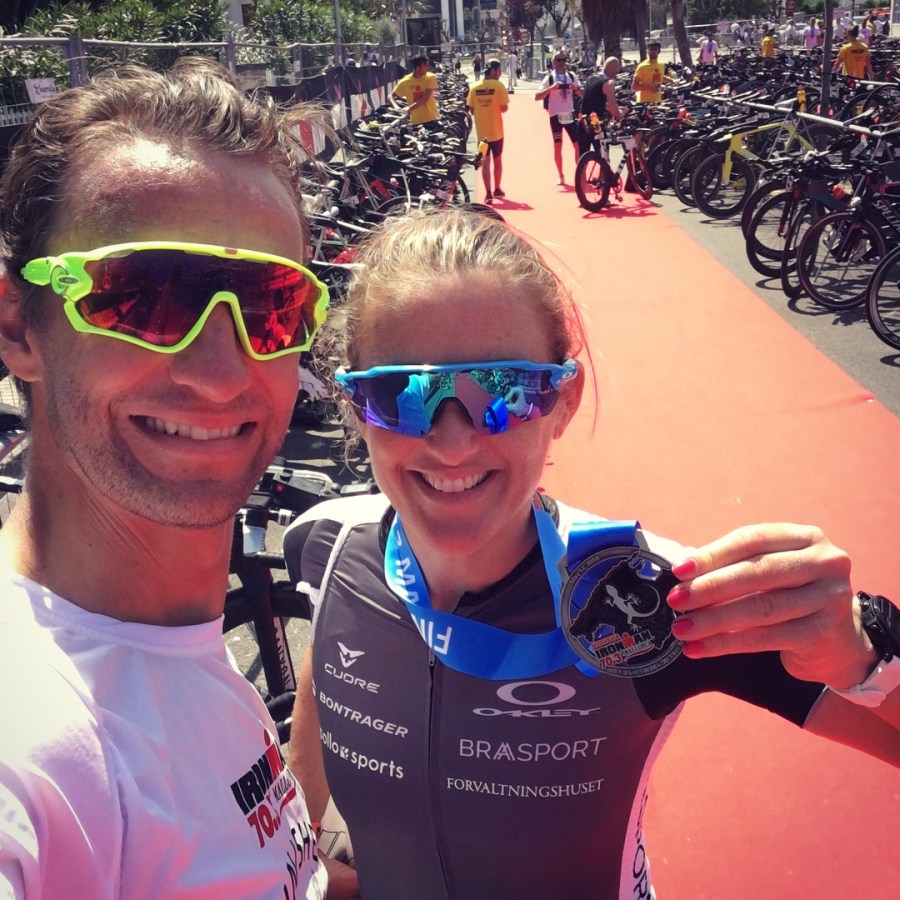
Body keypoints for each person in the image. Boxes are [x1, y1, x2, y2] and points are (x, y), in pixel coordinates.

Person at [284, 207, 900, 900]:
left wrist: (865, 652)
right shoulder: (326, 545)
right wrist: (306, 864)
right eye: (400, 394)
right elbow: (327, 672)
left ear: (563, 400)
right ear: (354, 403)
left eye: (503, 393)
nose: (452, 444)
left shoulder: (651, 598)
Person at [0, 58, 330, 897]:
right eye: (143, 297)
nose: (220, 374)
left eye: (270, 307)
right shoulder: (29, 746)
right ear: (18, 326)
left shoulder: (170, 649)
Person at [535, 51, 583, 185]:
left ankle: (580, 174)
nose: (561, 62)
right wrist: (551, 88)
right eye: (558, 60)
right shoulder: (550, 77)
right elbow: (537, 96)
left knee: (577, 146)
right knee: (557, 146)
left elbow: (582, 93)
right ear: (554, 62)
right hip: (556, 116)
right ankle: (561, 175)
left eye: (564, 59)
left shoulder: (571, 76)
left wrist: (576, 89)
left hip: (570, 115)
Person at [466, 58, 509, 202]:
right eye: (499, 70)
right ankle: (497, 188)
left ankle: (488, 193)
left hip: (481, 133)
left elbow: (471, 110)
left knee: (485, 163)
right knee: (498, 161)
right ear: (493, 71)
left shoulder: (474, 87)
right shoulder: (499, 86)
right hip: (496, 131)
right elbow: (504, 108)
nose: (500, 73)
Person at [577, 56, 622, 158]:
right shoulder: (608, 82)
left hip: (583, 121)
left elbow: (595, 101)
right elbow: (612, 105)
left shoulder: (591, 78)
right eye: (618, 68)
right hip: (595, 121)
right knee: (603, 155)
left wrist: (613, 108)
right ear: (613, 68)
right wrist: (619, 114)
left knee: (583, 156)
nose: (618, 71)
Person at [391, 54, 439, 126]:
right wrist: (395, 106)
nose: (428, 67)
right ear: (417, 68)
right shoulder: (405, 81)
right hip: (416, 121)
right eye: (425, 65)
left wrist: (410, 108)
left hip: (431, 118)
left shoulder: (430, 77)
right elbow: (390, 96)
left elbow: (425, 98)